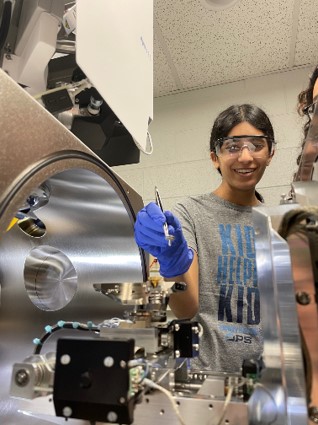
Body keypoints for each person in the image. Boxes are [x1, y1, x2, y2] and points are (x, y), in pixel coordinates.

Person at [135, 104, 276, 372]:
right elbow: (186, 310)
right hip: (205, 379)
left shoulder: (282, 223)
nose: (245, 157)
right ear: (215, 157)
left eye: (256, 145)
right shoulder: (190, 213)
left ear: (270, 153)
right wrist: (171, 263)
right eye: (233, 147)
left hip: (267, 382)